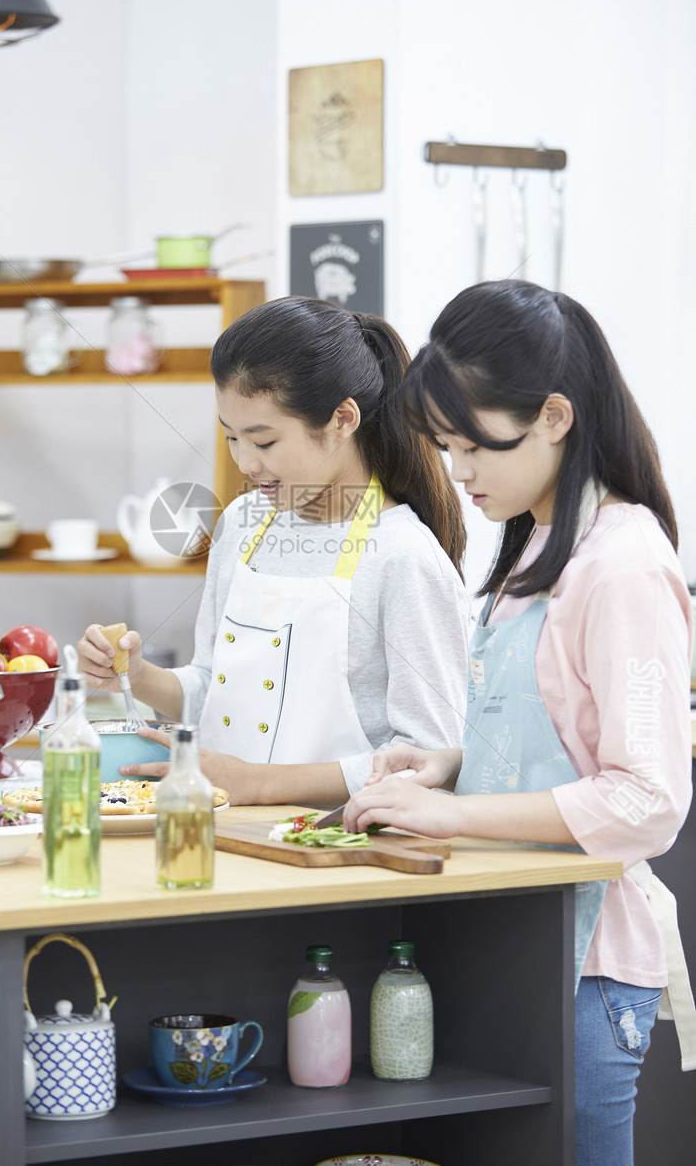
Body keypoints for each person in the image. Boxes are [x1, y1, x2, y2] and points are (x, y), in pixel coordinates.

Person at [342, 279, 695, 1166]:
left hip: (584, 963)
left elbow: (646, 798)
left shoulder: (623, 565)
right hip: (518, 938)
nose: (460, 472)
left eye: (473, 447)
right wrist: (448, 768)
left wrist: (454, 816)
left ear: (554, 418)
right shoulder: (541, 541)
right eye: (446, 446)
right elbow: (554, 740)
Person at [78, 294, 471, 806]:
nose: (246, 463)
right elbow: (211, 689)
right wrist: (136, 676)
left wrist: (261, 784)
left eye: (264, 443)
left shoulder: (401, 555)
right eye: (231, 439)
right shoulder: (243, 523)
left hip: (337, 853)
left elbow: (433, 758)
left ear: (341, 420)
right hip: (224, 831)